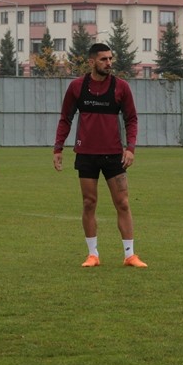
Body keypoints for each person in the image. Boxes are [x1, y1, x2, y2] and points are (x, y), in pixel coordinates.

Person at [53, 42, 145, 268]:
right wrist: (58, 148)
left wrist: (130, 148)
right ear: (92, 62)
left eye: (110, 58)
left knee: (123, 203)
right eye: (104, 59)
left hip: (114, 156)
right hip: (86, 155)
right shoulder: (77, 87)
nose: (109, 63)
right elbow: (65, 118)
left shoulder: (121, 87)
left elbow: (131, 119)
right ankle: (92, 255)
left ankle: (130, 255)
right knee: (88, 203)